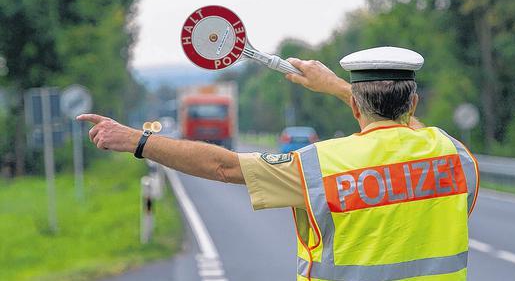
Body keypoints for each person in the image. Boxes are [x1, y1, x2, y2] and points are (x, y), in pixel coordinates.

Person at [78, 46, 479, 281]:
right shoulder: (455, 156)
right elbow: (415, 130)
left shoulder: (321, 165)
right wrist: (340, 88)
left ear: (355, 105)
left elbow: (225, 167)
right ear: (414, 102)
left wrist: (137, 140)